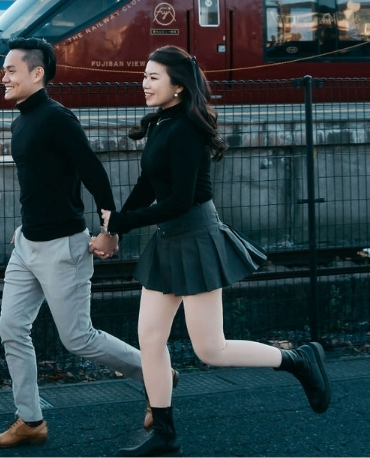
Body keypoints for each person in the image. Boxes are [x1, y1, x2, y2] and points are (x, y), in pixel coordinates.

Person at [101, 45, 331, 457]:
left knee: (211, 349)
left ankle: (298, 360)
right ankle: (165, 433)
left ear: (178, 86)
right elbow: (148, 185)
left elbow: (181, 201)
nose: (145, 83)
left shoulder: (186, 131)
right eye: (145, 75)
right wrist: (117, 220)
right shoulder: (161, 123)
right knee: (149, 337)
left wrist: (123, 223)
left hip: (196, 237)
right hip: (170, 240)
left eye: (154, 77)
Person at [0, 37, 149, 449]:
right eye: (4, 70)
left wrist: (111, 230)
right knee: (11, 328)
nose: (3, 77)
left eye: (11, 70)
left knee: (79, 339)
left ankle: (153, 373)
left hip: (63, 248)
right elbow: (38, 184)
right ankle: (31, 420)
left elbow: (94, 174)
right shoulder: (21, 119)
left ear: (37, 74)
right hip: (28, 244)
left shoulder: (58, 119)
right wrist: (24, 229)